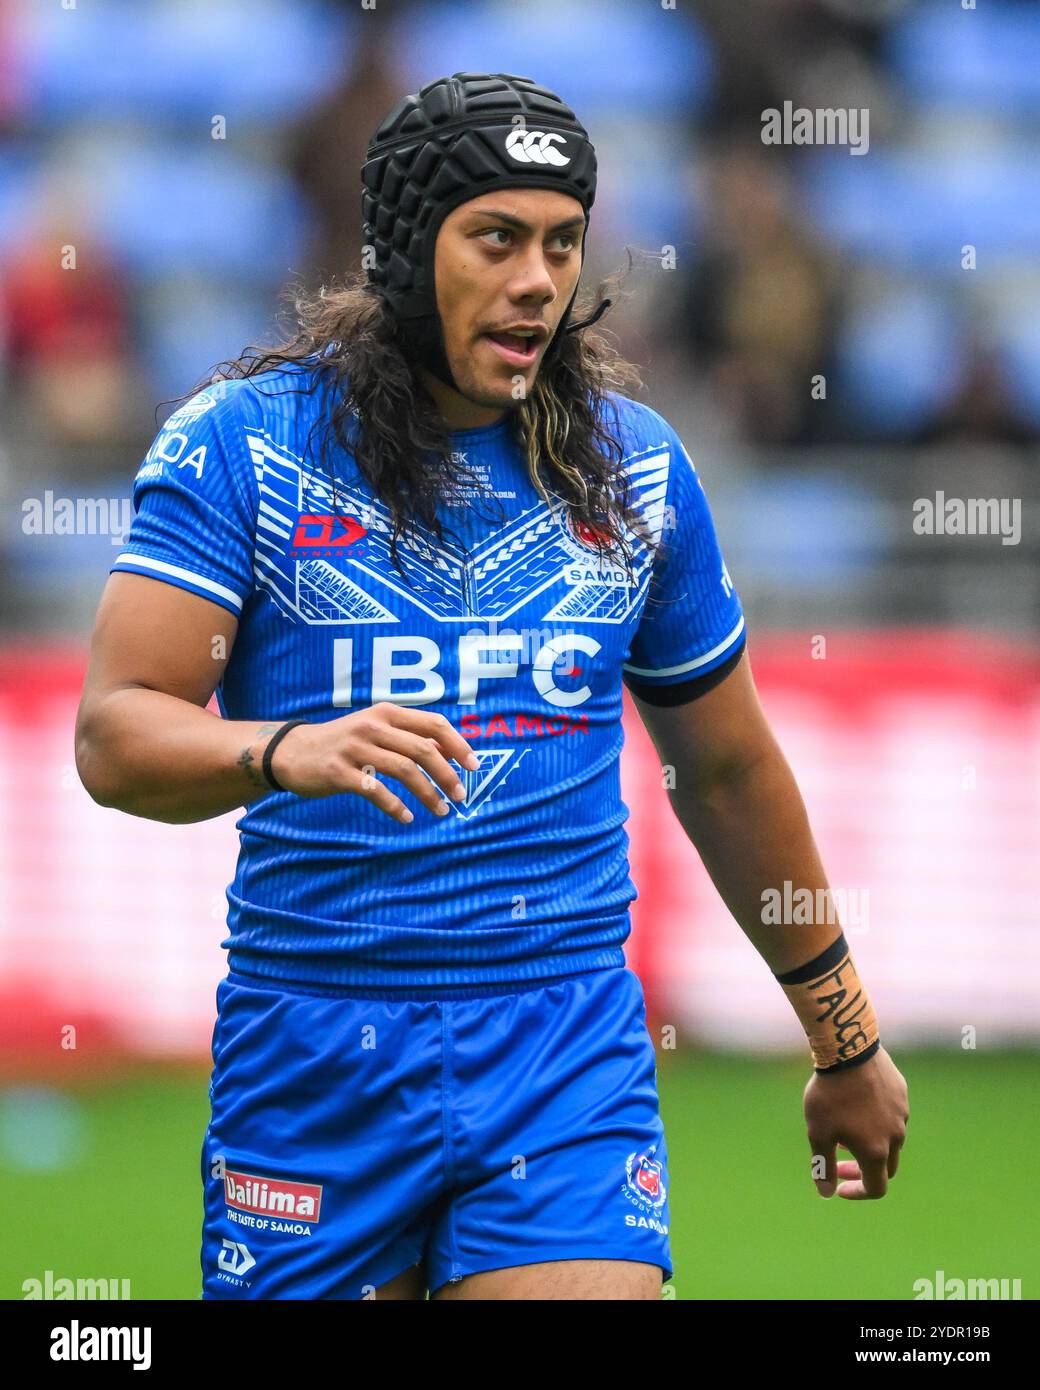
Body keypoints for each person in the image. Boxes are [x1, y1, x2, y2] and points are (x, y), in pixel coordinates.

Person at [75, 72, 908, 1302]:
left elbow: (724, 766)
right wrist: (278, 749)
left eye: (561, 242)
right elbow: (114, 733)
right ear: (407, 252)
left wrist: (844, 1038)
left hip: (559, 1049)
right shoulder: (237, 446)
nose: (537, 279)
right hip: (314, 1056)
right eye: (497, 238)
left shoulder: (632, 471)